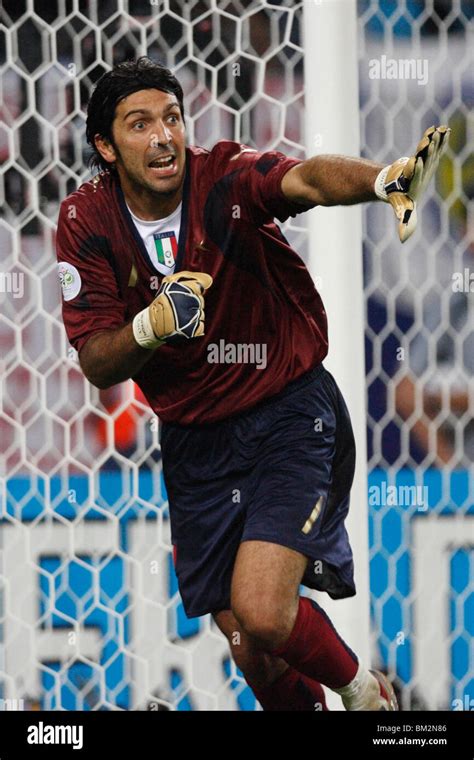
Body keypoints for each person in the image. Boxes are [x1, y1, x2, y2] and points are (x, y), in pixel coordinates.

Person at [56, 56, 448, 711]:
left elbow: (307, 181)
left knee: (263, 610)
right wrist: (152, 326)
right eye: (139, 123)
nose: (163, 136)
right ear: (106, 146)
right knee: (250, 649)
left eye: (172, 117)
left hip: (289, 415)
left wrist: (382, 180)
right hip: (195, 443)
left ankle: (365, 693)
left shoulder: (223, 180)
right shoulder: (86, 222)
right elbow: (97, 361)